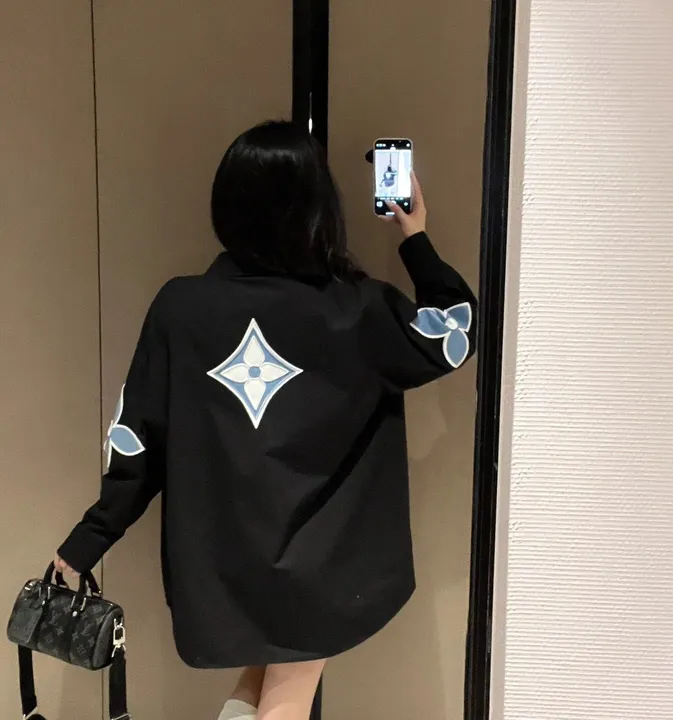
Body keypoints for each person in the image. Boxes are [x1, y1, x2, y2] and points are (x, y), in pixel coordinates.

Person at [54, 120, 477, 720]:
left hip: (227, 563)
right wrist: (415, 235)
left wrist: (90, 539)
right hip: (324, 564)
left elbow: (138, 441)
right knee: (286, 702)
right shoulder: (356, 309)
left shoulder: (180, 308)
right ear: (318, 209)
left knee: (257, 691)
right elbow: (454, 330)